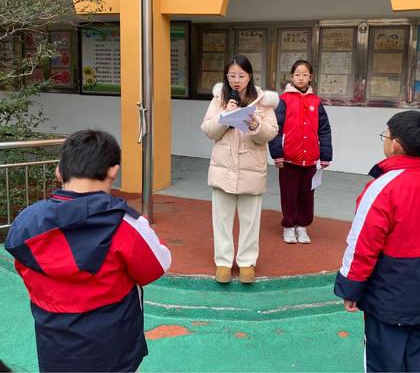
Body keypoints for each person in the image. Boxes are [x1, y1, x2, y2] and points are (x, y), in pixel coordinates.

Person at [5, 130, 172, 372]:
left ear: (59, 171)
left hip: (54, 350)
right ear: (113, 170)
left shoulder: (27, 222)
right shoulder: (126, 224)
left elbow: (25, 268)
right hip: (114, 349)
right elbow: (156, 266)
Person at [334, 111, 420, 372]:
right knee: (415, 359)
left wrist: (350, 288)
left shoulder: (383, 188)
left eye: (385, 135)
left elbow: (362, 245)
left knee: (382, 362)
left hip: (386, 296)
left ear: (395, 145)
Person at [201, 55, 279, 284]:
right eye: (232, 76)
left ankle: (246, 262)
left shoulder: (263, 102)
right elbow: (208, 130)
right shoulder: (219, 99)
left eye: (241, 76)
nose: (236, 80)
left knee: (250, 220)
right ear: (226, 76)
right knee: (221, 220)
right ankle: (223, 262)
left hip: (251, 170)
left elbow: (271, 133)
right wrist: (225, 116)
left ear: (250, 75)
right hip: (223, 170)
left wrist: (256, 125)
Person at [268, 59, 332, 244]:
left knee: (306, 194)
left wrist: (325, 156)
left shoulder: (316, 102)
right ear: (291, 77)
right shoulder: (284, 100)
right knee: (289, 193)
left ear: (311, 77)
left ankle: (302, 226)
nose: (301, 78)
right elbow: (275, 128)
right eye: (297, 75)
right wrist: (277, 154)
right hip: (288, 159)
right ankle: (288, 226)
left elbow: (324, 129)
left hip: (310, 159)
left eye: (305, 75)